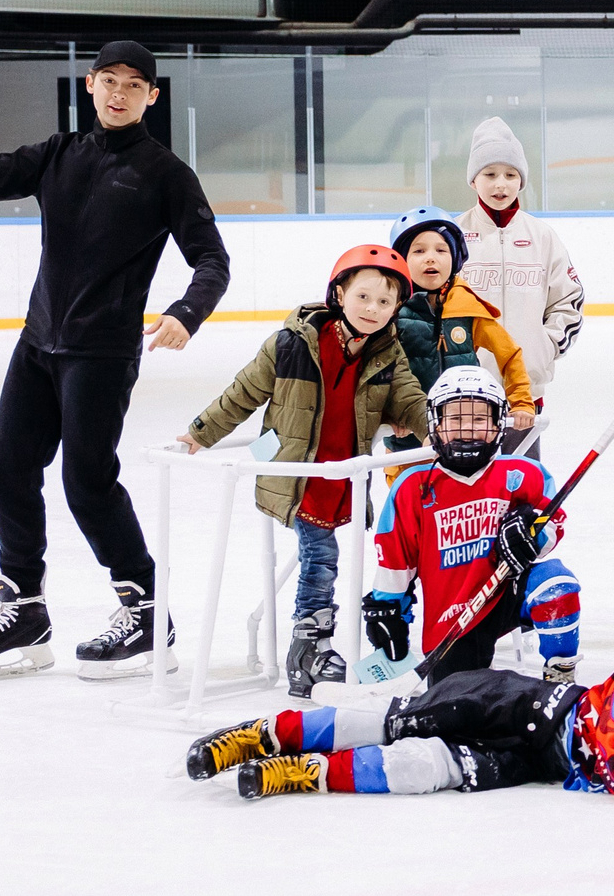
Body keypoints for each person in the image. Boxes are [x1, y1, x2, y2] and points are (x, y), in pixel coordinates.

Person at [0, 38, 231, 681]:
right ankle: (25, 609)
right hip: (39, 344)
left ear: (152, 96)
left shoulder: (166, 173)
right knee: (5, 471)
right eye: (108, 80)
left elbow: (212, 260)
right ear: (90, 86)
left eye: (133, 84)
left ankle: (147, 610)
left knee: (85, 483)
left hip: (101, 352)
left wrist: (185, 312)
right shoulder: (58, 155)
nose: (119, 93)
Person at [189, 594, 614, 802]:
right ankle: (266, 734)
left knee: (422, 769)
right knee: (394, 722)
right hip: (518, 703)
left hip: (536, 764)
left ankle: (300, 775)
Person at [178, 244, 430, 697]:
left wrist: (439, 430)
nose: (373, 309)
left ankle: (313, 646)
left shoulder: (387, 354)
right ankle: (309, 647)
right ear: (338, 294)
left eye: (385, 302)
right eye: (363, 297)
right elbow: (243, 393)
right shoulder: (291, 343)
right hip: (295, 473)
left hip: (342, 477)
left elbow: (408, 401)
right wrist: (200, 432)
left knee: (329, 555)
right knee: (322, 556)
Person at [363, 366, 578, 685]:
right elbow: (396, 559)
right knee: (458, 701)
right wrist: (388, 608)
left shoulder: (523, 474)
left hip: (505, 593)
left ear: (497, 423)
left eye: (479, 419)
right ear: (436, 424)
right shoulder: (413, 486)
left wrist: (532, 534)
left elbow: (553, 522)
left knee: (555, 584)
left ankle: (559, 677)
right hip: (453, 619)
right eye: (456, 419)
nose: (468, 429)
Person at [457, 117, 586, 427]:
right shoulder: (454, 235)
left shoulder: (542, 236)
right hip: (466, 387)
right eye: (489, 174)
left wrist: (547, 345)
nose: (500, 184)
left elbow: (568, 299)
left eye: (510, 174)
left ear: (521, 180)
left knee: (521, 473)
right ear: (474, 180)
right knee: (472, 473)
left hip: (526, 390)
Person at [386, 206, 535, 434]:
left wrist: (521, 401)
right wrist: (391, 413)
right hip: (409, 434)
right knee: (409, 472)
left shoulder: (467, 309)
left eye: (441, 250)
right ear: (402, 259)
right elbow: (378, 369)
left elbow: (510, 354)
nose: (430, 259)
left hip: (463, 431)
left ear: (455, 257)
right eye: (418, 251)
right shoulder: (392, 311)